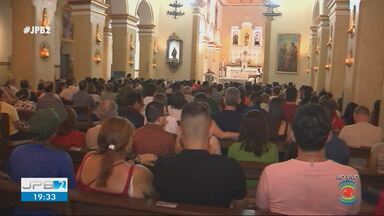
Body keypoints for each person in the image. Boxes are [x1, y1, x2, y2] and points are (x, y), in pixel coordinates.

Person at [256, 104, 361, 215]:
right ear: (329, 136)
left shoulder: (271, 173)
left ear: (293, 136)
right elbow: (352, 212)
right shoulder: (349, 177)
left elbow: (262, 208)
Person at [154, 102, 247, 208]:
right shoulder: (231, 168)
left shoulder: (162, 166)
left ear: (180, 129)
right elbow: (241, 207)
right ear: (210, 129)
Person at [77, 117, 155, 198]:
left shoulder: (88, 157)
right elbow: (154, 200)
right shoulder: (138, 174)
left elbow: (65, 194)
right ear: (129, 142)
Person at [7, 108, 76, 188]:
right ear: (54, 133)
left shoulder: (16, 152)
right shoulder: (63, 158)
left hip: (18, 198)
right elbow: (70, 188)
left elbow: (12, 179)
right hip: (51, 199)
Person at [228, 111, 278, 187]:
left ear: (244, 126)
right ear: (264, 127)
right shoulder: (273, 149)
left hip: (241, 190)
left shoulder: (234, 148)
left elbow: (231, 175)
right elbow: (274, 175)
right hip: (263, 189)